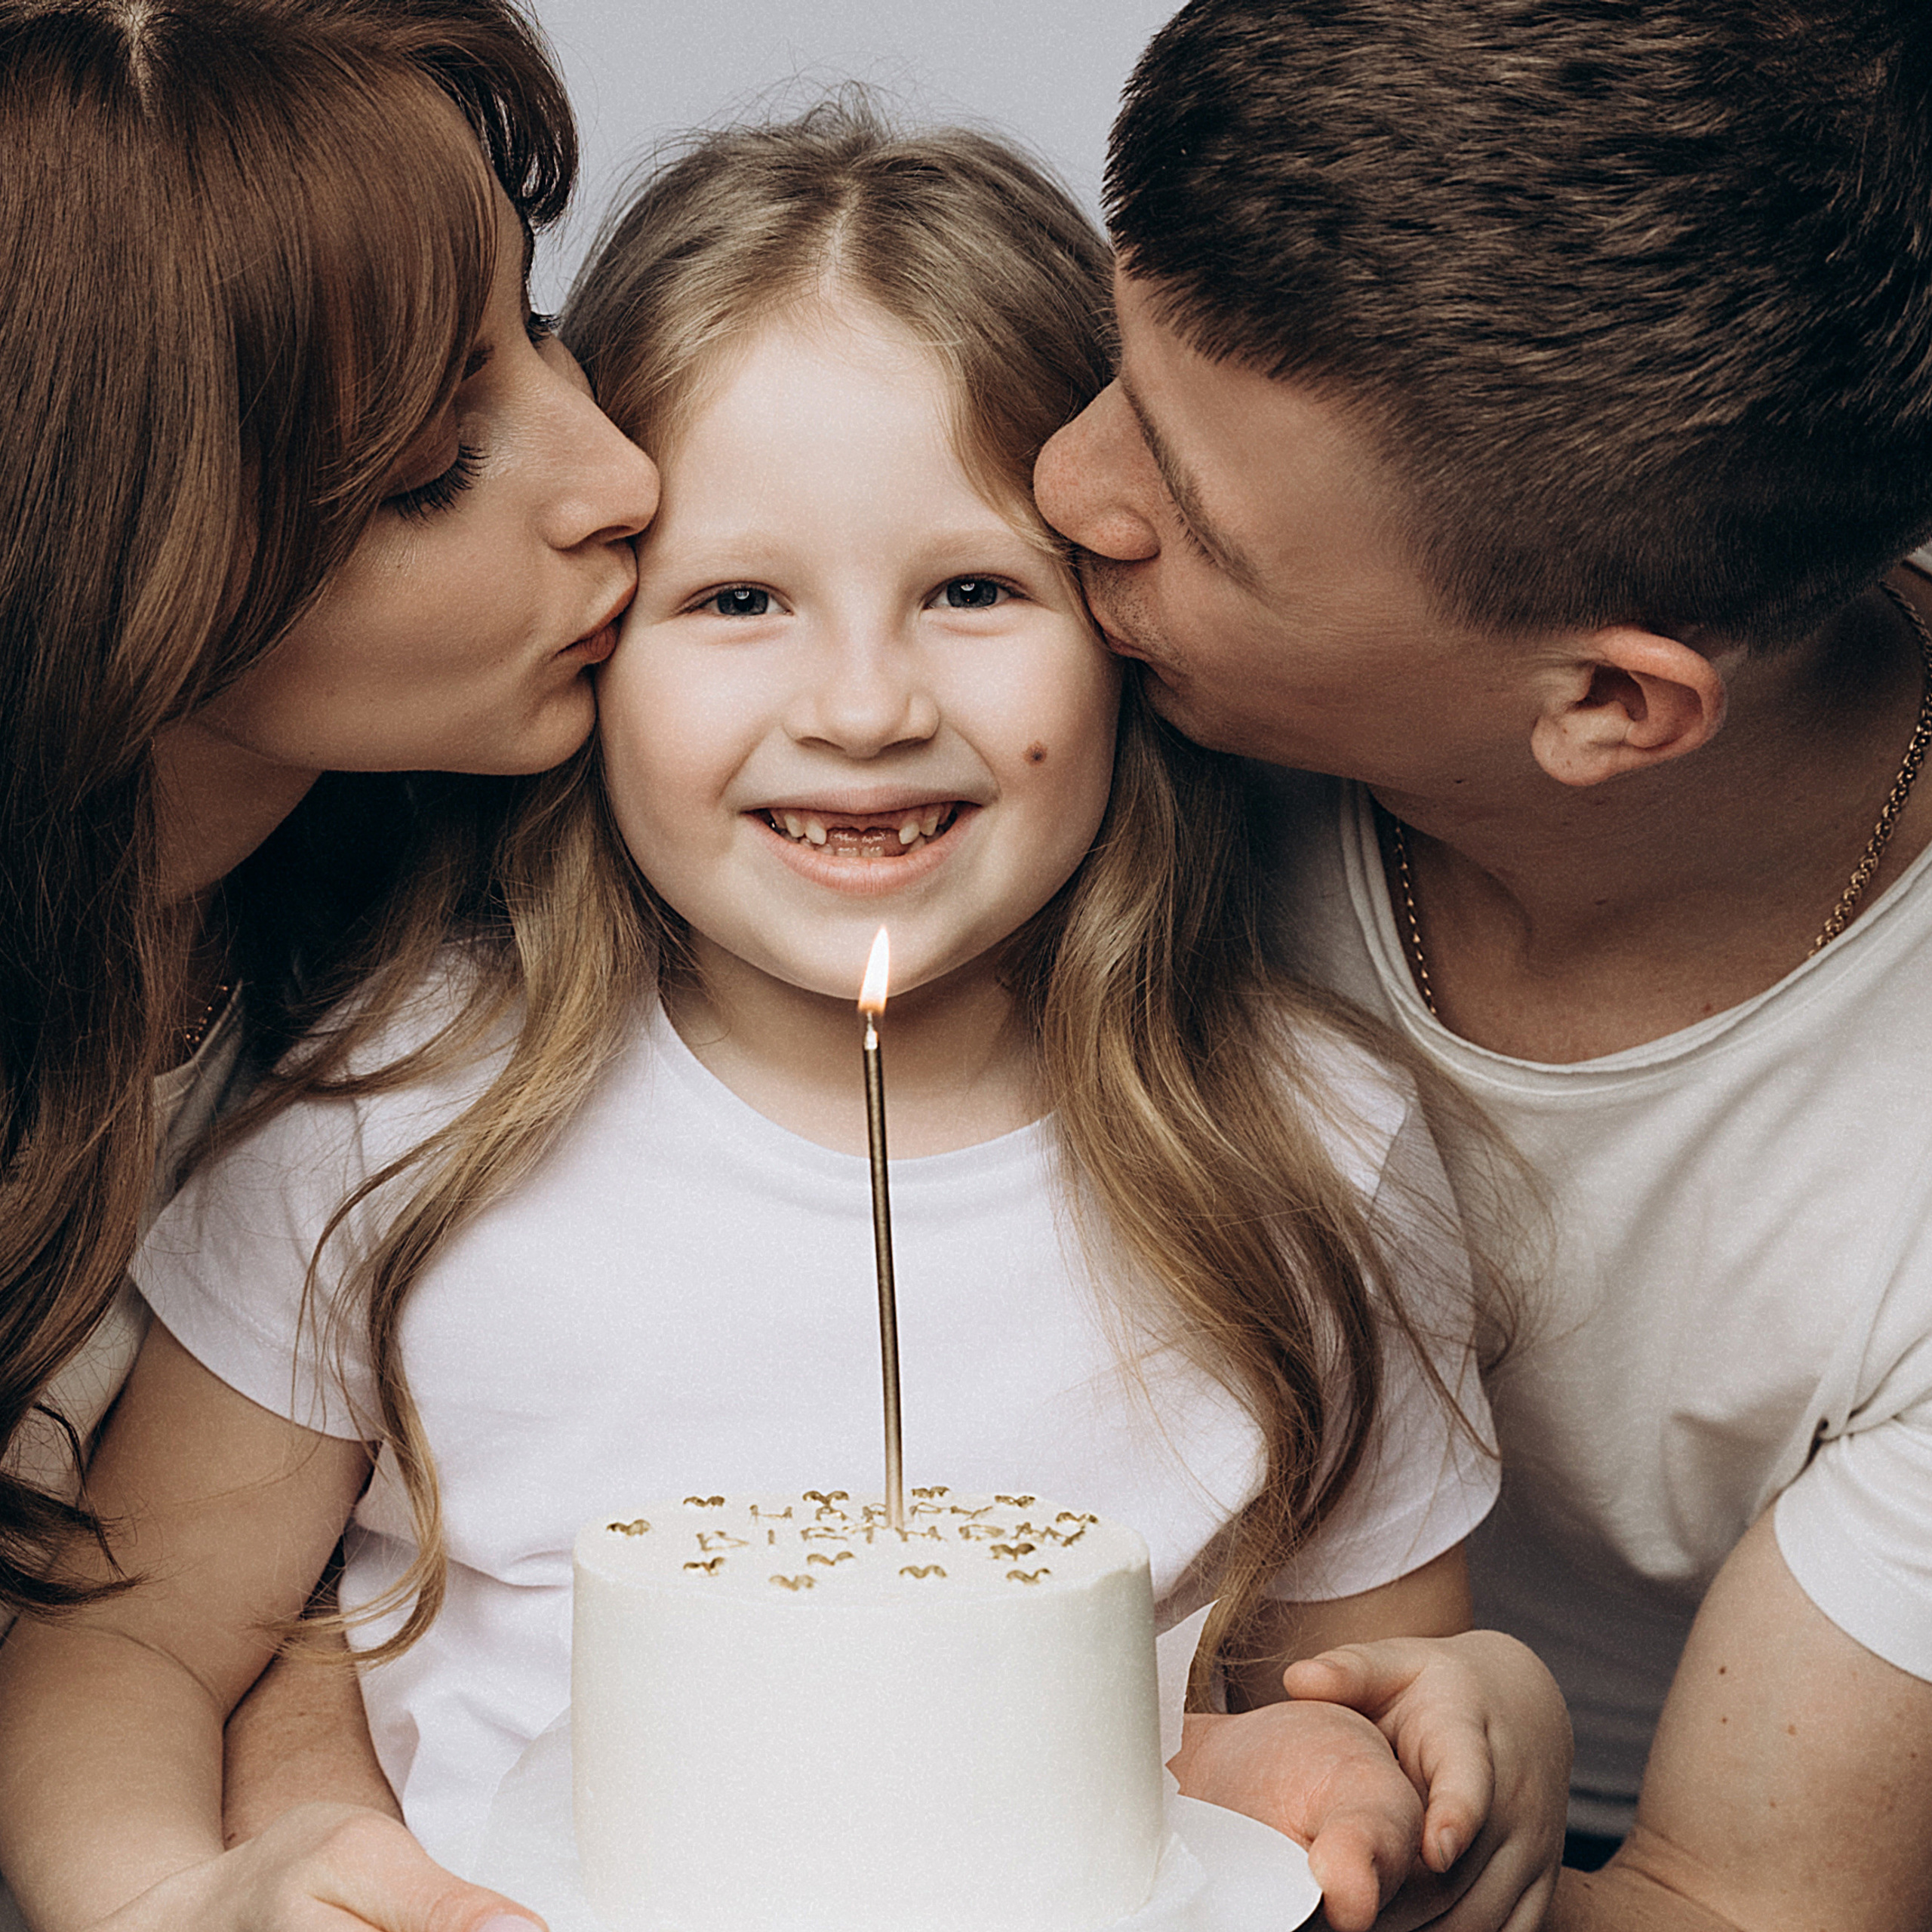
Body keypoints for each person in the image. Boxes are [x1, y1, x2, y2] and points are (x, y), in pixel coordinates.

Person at [0, 106, 1571, 1932]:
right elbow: (129, 1646)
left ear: (1122, 622)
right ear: (597, 642)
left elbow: (1353, 1711)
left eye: (972, 590)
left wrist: (1407, 1746)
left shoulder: (1308, 1149)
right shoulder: (395, 1102)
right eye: (738, 597)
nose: (862, 704)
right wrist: (171, 1900)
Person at [1032, 0, 1932, 1926]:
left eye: (1189, 519)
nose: (1056, 485)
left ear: (1605, 703)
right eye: (1112, 366)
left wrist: (1384, 1855)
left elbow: (1728, 1899)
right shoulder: (1100, 700)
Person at [0, 0, 656, 1926]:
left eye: (539, 325)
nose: (616, 473)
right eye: (437, 464)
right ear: (129, 568)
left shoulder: (439, 919)